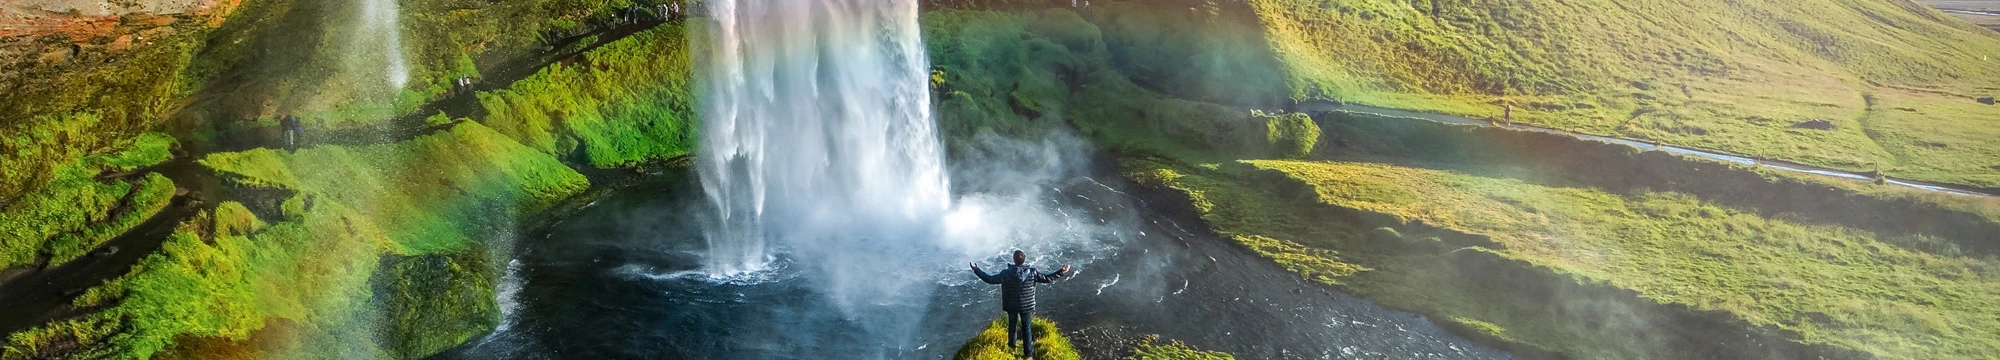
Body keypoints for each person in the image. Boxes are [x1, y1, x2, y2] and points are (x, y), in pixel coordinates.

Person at [971, 250, 1071, 359]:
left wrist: (977, 270)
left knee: (1012, 326)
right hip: (1027, 306)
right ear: (1024, 260)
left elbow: (990, 279)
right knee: (1026, 328)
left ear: (1014, 260)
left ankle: (1011, 347)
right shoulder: (1032, 272)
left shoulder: (1006, 273)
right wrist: (1061, 271)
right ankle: (1028, 355)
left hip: (1011, 306)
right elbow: (1047, 278)